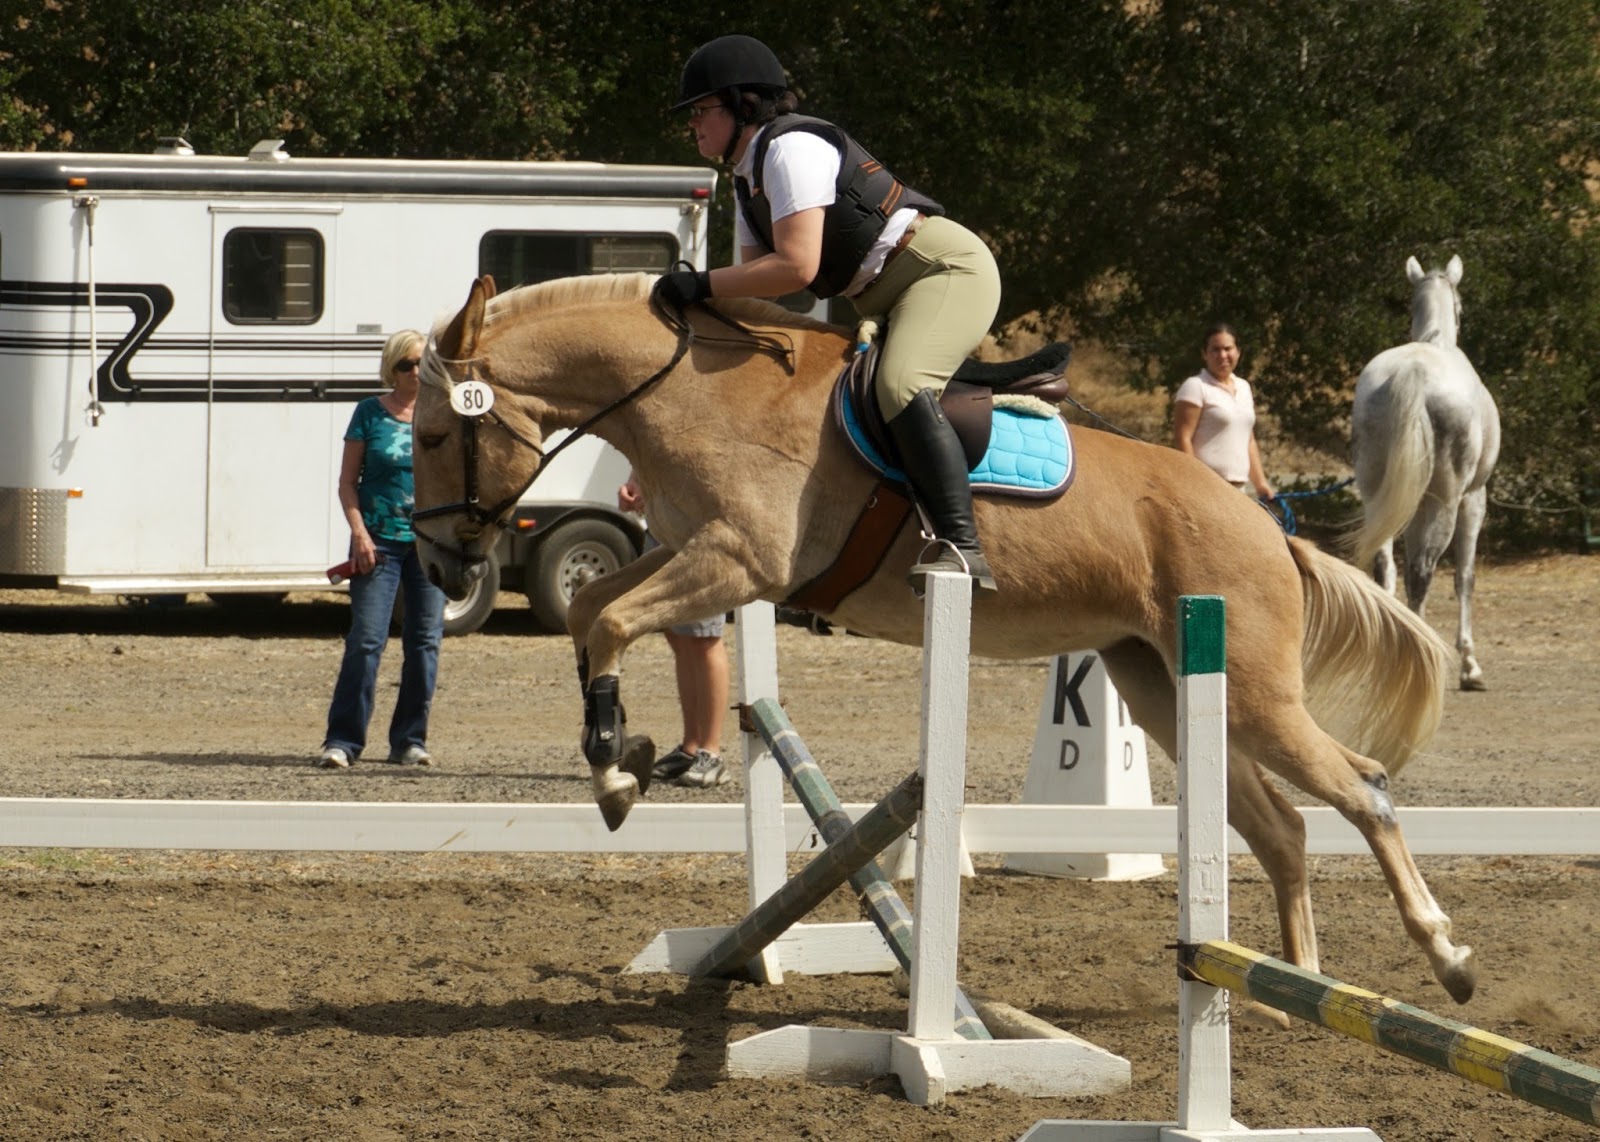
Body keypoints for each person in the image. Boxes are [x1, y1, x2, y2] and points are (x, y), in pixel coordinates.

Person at [655, 34, 1002, 593]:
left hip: (942, 271)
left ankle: (962, 547)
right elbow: (760, 295)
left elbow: (794, 267)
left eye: (701, 110)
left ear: (744, 104)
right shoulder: (746, 179)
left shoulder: (790, 151)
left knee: (900, 384)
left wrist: (697, 283)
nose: (692, 124)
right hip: (885, 295)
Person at [318, 329, 446, 769]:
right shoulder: (369, 413)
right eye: (407, 365)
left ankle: (410, 740)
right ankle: (343, 740)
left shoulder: (441, 412)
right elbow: (346, 483)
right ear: (391, 369)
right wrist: (359, 533)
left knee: (425, 642)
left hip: (430, 547)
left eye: (422, 363)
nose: (416, 371)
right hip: (379, 544)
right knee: (367, 641)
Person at [617, 473, 731, 788]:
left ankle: (712, 752)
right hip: (663, 520)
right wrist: (636, 482)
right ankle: (691, 746)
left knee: (705, 638)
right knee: (679, 636)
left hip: (696, 520)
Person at [1172, 323, 1276, 502]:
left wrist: (1260, 484)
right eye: (1215, 350)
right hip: (1207, 490)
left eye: (1228, 349)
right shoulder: (1195, 387)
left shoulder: (1244, 387)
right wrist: (1196, 482)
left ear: (1238, 352)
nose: (1222, 356)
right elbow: (1183, 438)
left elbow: (1248, 440)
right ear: (1205, 354)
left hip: (1238, 490)